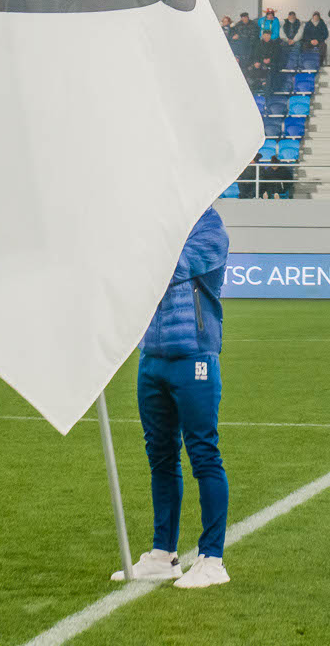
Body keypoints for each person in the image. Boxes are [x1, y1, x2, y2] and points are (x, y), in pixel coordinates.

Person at [115, 207, 232, 590]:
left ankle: (213, 559)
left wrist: (133, 247)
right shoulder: (158, 224)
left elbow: (168, 268)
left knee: (203, 454)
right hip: (152, 357)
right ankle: (164, 554)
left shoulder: (210, 230)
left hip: (194, 357)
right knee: (160, 457)